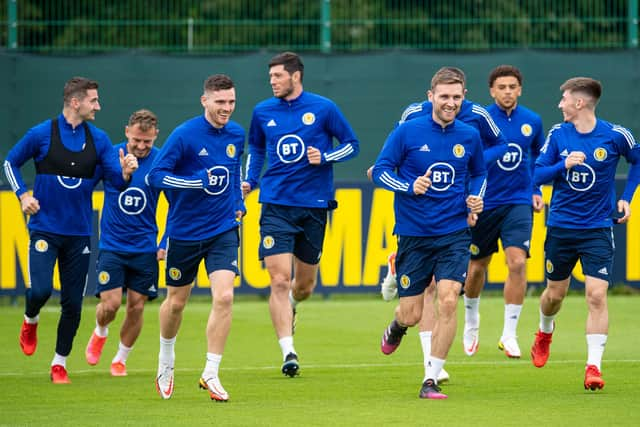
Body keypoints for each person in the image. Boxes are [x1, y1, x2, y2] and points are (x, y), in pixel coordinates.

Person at [2, 76, 138, 384]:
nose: (98, 106)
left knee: (73, 303)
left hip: (79, 234)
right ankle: (30, 318)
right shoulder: (41, 134)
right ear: (75, 102)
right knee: (39, 290)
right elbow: (10, 163)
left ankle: (59, 363)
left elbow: (115, 181)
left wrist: (126, 173)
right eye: (94, 100)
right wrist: (23, 195)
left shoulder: (99, 139)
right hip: (45, 229)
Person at [376, 66, 507, 382]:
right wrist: (409, 186)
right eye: (444, 96)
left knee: (448, 298)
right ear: (430, 96)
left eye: (457, 97)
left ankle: (431, 376)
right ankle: (397, 326)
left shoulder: (470, 134)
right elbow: (381, 170)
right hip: (414, 233)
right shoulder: (407, 130)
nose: (450, 102)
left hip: (454, 232)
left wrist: (476, 198)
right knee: (411, 313)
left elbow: (478, 173)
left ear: (464, 98)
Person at [242, 51, 359, 377]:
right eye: (270, 78)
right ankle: (288, 350)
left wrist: (326, 156)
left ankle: (293, 306)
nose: (273, 82)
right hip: (276, 205)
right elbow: (257, 149)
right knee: (278, 279)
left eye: (278, 76)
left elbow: (352, 144)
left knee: (303, 285)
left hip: (314, 206)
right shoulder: (263, 111)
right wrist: (251, 180)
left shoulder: (324, 108)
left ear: (295, 76)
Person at [530, 77, 639, 390]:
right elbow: (536, 174)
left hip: (598, 229)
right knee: (554, 295)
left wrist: (626, 197)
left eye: (563, 99)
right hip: (561, 228)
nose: (559, 104)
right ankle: (544, 331)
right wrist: (562, 165)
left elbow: (638, 161)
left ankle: (593, 367)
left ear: (579, 103)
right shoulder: (557, 134)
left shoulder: (616, 135)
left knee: (596, 295)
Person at [148, 74, 245, 402]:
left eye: (231, 102)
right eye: (220, 102)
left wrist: (238, 203)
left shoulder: (236, 134)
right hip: (184, 233)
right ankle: (166, 357)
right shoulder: (184, 135)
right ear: (204, 100)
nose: (226, 108)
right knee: (176, 303)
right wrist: (195, 182)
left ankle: (211, 372)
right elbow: (155, 176)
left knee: (225, 297)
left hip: (222, 230)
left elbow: (234, 174)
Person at [460, 65, 545, 359]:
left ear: (520, 89)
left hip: (518, 201)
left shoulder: (532, 121)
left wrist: (535, 190)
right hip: (484, 202)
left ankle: (509, 334)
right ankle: (471, 320)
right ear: (492, 91)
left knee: (517, 263)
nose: (507, 92)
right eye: (502, 87)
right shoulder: (477, 120)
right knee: (476, 268)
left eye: (512, 87)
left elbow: (538, 157)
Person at [84, 109, 162, 377]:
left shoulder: (161, 161)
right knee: (111, 304)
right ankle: (100, 330)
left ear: (155, 137)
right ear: (127, 132)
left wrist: (164, 241)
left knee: (137, 305)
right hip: (113, 245)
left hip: (145, 247)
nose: (141, 147)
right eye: (136, 140)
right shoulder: (111, 156)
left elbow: (178, 205)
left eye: (147, 142)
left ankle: (120, 358)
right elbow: (87, 185)